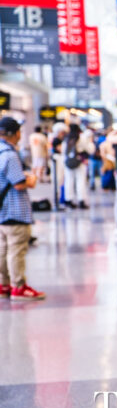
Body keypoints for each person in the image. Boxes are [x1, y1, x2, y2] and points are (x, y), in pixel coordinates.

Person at [0, 117, 44, 301]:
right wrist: (31, 180)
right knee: (16, 249)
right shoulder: (10, 154)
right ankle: (18, 287)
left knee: (3, 249)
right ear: (16, 133)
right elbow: (18, 184)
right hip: (15, 210)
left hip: (2, 211)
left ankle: (4, 285)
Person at [63, 124, 93, 209]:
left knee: (68, 180)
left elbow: (63, 151)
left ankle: (68, 199)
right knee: (81, 181)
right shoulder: (82, 138)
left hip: (68, 162)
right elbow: (89, 149)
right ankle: (81, 200)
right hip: (80, 162)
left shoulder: (66, 138)